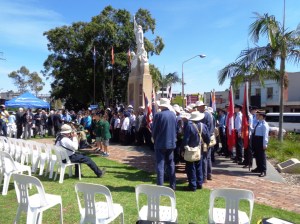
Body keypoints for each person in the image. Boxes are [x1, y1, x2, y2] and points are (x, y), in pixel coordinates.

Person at [152, 98, 177, 190]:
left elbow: (154, 130)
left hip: (160, 143)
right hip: (171, 143)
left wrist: (154, 138)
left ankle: (160, 186)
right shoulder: (173, 115)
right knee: (171, 164)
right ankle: (173, 185)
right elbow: (176, 128)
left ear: (162, 106)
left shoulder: (158, 115)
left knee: (160, 165)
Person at [182, 111, 210, 191]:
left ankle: (192, 185)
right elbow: (207, 138)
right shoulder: (203, 126)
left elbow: (186, 139)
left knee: (190, 167)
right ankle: (199, 183)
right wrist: (206, 145)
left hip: (191, 149)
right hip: (200, 149)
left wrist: (183, 148)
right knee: (199, 166)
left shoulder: (189, 126)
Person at [195, 101, 215, 182]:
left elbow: (204, 129)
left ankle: (204, 177)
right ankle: (208, 174)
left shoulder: (204, 115)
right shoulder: (209, 115)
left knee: (204, 158)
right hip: (208, 138)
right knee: (207, 158)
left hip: (205, 139)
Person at [251, 110, 269, 177]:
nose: (256, 116)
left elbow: (265, 135)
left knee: (262, 156)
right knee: (257, 155)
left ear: (262, 116)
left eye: (258, 115)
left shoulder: (264, 125)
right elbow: (254, 131)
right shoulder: (258, 123)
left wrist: (265, 144)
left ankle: (263, 170)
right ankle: (258, 168)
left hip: (260, 140)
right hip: (256, 139)